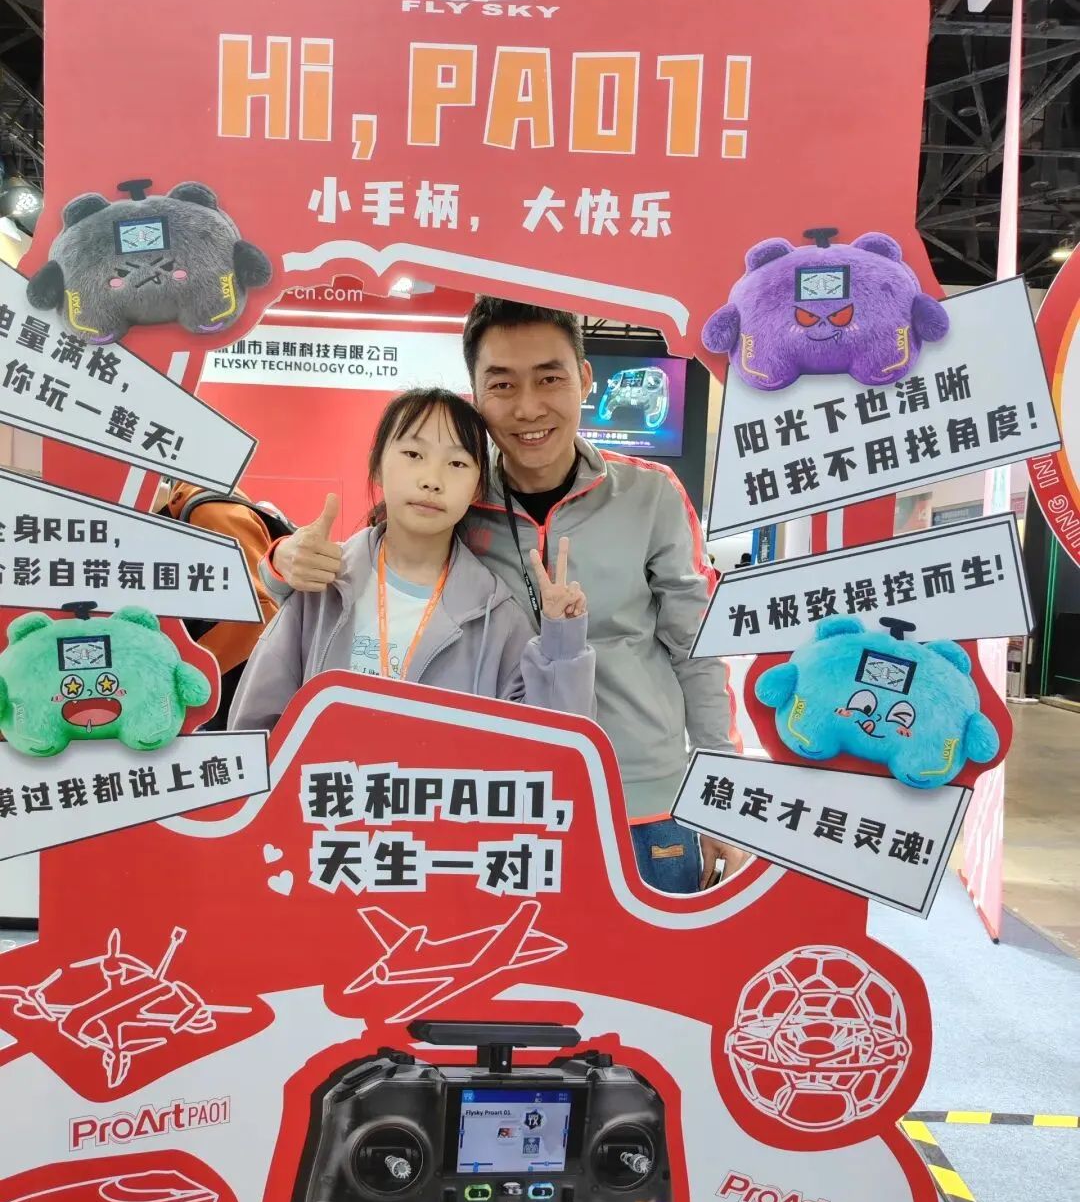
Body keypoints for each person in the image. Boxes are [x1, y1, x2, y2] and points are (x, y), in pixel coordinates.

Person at [261, 299, 746, 894]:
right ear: (476, 392)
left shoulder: (650, 494)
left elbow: (696, 647)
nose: (528, 407)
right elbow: (367, 565)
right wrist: (281, 559)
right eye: (502, 384)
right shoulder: (457, 492)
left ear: (584, 378)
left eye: (549, 378)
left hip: (639, 797)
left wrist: (722, 789)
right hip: (495, 804)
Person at [229, 387, 595, 733]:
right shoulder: (323, 588)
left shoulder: (498, 617)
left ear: (477, 488)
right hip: (327, 782)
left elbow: (551, 743)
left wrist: (562, 641)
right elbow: (256, 727)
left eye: (456, 463)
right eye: (413, 455)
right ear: (377, 466)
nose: (432, 480)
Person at [153, 478, 281, 730]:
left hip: (240, 695)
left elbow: (260, 612)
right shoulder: (176, 519)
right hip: (220, 689)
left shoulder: (211, 513)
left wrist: (182, 674)